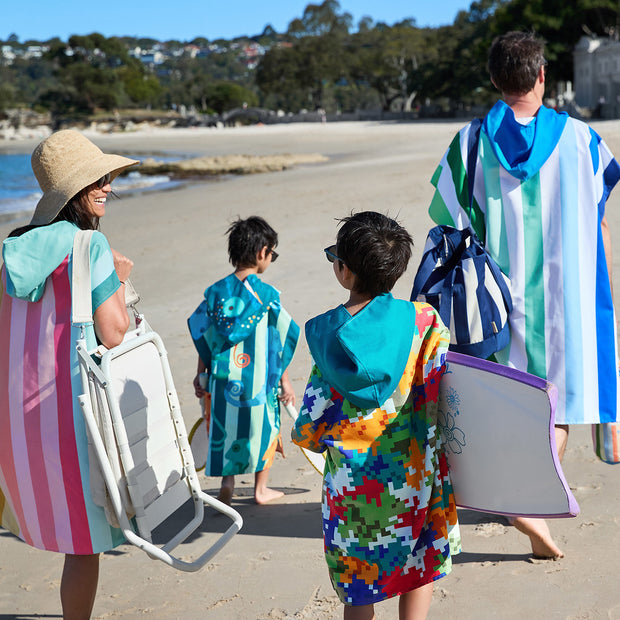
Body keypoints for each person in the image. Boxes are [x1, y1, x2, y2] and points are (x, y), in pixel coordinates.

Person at [428, 31, 620, 558]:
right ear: (541, 76)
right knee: (557, 406)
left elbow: (449, 222)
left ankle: (518, 494)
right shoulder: (584, 140)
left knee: (508, 400)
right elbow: (598, 213)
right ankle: (528, 499)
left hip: (495, 300)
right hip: (572, 296)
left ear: (494, 79)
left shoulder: (469, 143)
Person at [291, 212, 461, 620]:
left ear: (344, 271)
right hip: (415, 475)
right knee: (418, 570)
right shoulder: (425, 321)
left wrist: (314, 437)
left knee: (358, 585)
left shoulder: (325, 335)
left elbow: (313, 422)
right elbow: (443, 392)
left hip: (352, 489)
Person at [0, 130, 139, 619]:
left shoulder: (11, 250)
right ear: (73, 191)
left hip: (17, 419)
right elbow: (115, 331)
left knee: (57, 525)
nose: (106, 187)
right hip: (70, 409)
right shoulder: (89, 246)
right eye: (96, 180)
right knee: (84, 542)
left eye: (107, 178)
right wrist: (120, 282)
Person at [188, 216, 299, 505]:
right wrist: (284, 380)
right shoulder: (266, 295)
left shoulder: (215, 294)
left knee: (227, 430)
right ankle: (260, 489)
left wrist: (201, 373)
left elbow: (204, 333)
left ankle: (228, 482)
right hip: (257, 379)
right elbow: (280, 338)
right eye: (272, 253)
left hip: (223, 379)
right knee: (267, 428)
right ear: (262, 252)